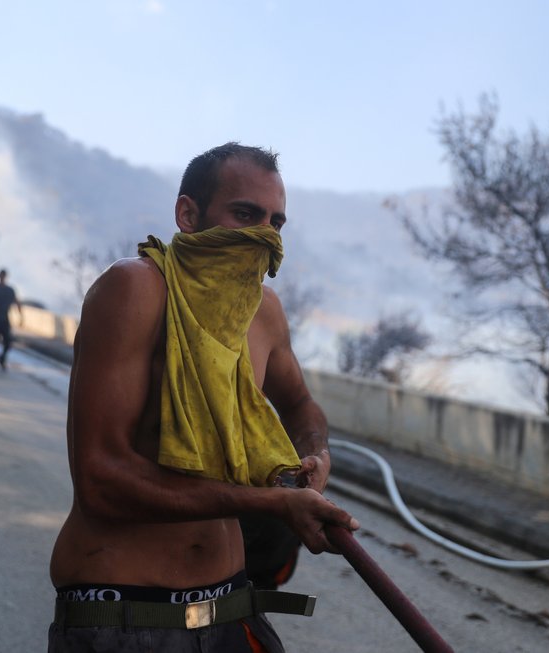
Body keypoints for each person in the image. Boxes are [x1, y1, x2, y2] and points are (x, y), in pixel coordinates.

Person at [48, 143, 359, 652]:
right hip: (122, 615)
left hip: (230, 608)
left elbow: (302, 405)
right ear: (188, 215)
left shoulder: (264, 312)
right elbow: (100, 479)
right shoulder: (135, 291)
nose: (264, 236)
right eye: (245, 215)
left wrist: (313, 454)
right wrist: (275, 502)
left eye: (276, 223)